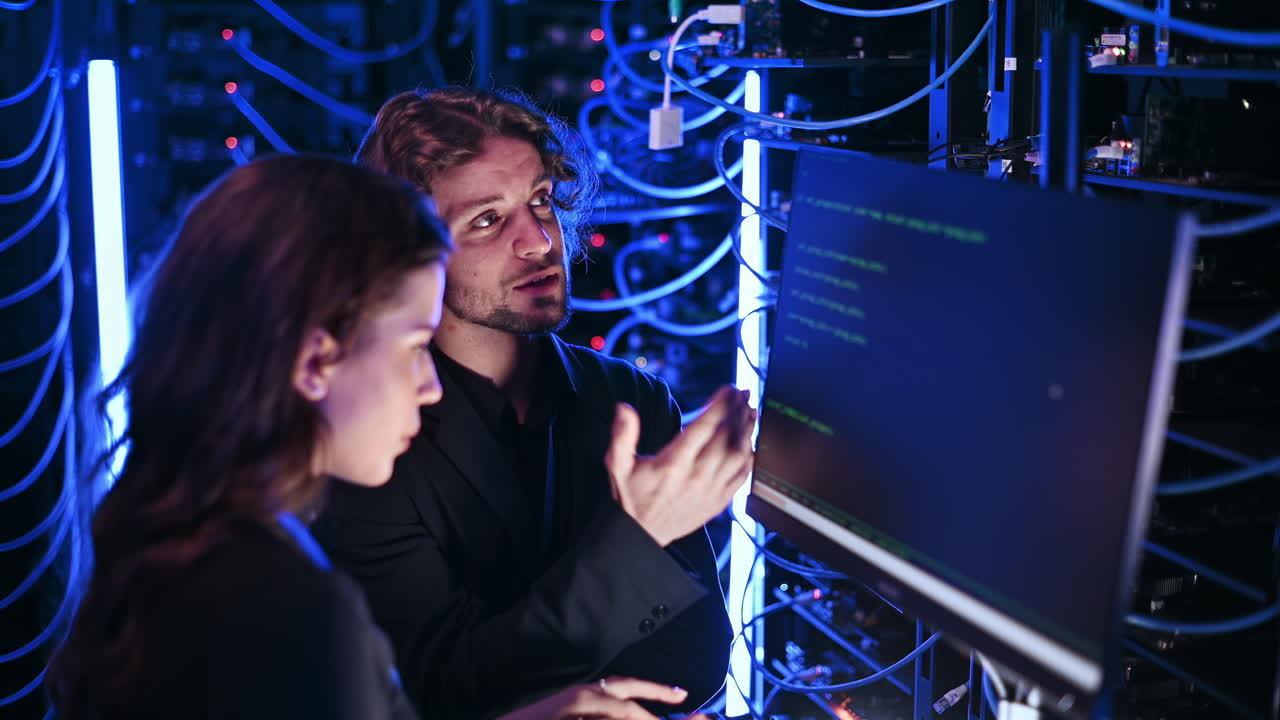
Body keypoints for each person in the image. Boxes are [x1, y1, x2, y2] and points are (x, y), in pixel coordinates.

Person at [45, 155, 701, 720]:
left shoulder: (186, 542)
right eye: (415, 346)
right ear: (315, 362)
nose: (430, 385)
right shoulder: (292, 605)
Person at [311, 87, 756, 719]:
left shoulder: (630, 398)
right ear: (408, 256)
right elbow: (435, 691)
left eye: (541, 201)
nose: (539, 242)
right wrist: (633, 543)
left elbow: (693, 670)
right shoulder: (371, 438)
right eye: (488, 220)